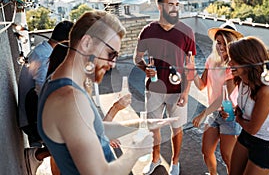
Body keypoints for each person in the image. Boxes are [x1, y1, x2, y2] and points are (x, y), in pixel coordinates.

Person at [37, 10, 176, 175]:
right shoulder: (69, 99)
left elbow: (94, 128)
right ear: (87, 43)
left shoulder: (57, 84)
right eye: (111, 54)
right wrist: (136, 152)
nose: (113, 64)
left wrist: (141, 126)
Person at [134, 0, 196, 175]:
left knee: (176, 129)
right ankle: (155, 160)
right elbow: (137, 58)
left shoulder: (186, 32)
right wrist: (145, 68)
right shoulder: (148, 31)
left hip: (177, 90)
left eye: (177, 4)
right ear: (160, 6)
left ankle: (175, 163)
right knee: (154, 128)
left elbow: (190, 66)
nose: (175, 8)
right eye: (171, 4)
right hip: (153, 89)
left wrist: (185, 93)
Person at [17, 20, 74, 175]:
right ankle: (36, 156)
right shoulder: (45, 57)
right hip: (30, 120)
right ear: (66, 42)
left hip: (32, 114)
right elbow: (42, 91)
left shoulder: (42, 50)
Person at [227, 36, 269, 175]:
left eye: (233, 59)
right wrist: (234, 111)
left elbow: (253, 128)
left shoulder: (266, 91)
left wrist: (237, 118)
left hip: (267, 144)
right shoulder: (241, 80)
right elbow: (243, 109)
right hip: (246, 135)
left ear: (247, 60)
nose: (229, 63)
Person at [192, 22, 243, 175]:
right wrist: (192, 69)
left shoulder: (233, 66)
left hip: (229, 114)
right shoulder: (211, 60)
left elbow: (223, 97)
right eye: (218, 43)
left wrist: (203, 114)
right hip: (213, 113)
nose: (221, 47)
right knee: (206, 152)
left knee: (228, 157)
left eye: (225, 44)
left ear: (232, 45)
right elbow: (201, 85)